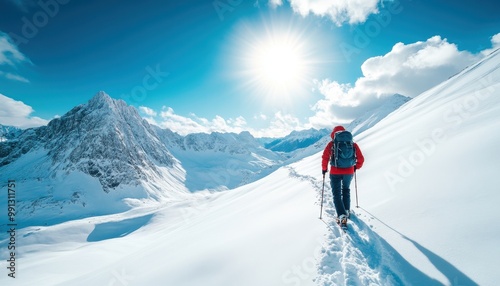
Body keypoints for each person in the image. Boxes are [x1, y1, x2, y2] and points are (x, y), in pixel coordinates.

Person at [321, 125, 364, 226]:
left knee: (336, 193)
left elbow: (325, 157)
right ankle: (347, 210)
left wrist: (324, 169)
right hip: (349, 172)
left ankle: (341, 215)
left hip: (335, 172)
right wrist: (355, 167)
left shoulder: (332, 144)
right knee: (346, 190)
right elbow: (361, 159)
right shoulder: (352, 144)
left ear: (334, 134)